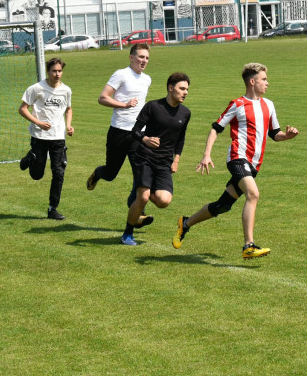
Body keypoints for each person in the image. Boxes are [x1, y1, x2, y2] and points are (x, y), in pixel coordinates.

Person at [172, 63, 298, 259]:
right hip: (237, 158)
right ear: (252, 81)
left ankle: (186, 223)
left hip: (254, 164)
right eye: (264, 79)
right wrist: (207, 154)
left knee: (223, 206)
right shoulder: (237, 104)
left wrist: (287, 136)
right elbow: (216, 128)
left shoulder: (269, 105)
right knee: (253, 194)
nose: (267, 83)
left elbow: (275, 134)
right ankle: (249, 245)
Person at [121, 72, 191, 246]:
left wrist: (176, 160)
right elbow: (135, 131)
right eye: (182, 88)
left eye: (187, 89)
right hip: (144, 156)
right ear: (170, 88)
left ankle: (140, 188)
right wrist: (145, 139)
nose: (185, 92)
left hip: (164, 161)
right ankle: (127, 234)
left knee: (163, 201)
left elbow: (180, 139)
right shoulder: (153, 106)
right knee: (143, 197)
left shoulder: (185, 113)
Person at [86, 43, 151, 213]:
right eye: (141, 57)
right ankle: (98, 173)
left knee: (140, 172)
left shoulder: (147, 79)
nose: (144, 60)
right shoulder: (121, 74)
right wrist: (124, 105)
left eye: (146, 58)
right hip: (119, 131)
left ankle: (138, 210)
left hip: (138, 133)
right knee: (110, 173)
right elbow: (102, 98)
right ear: (131, 57)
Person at [18, 57, 74, 220]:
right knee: (37, 175)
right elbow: (22, 109)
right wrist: (38, 123)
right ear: (48, 71)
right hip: (39, 135)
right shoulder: (36, 88)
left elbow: (68, 109)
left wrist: (68, 125)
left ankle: (52, 208)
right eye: (54, 71)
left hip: (58, 137)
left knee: (59, 172)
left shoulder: (66, 90)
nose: (57, 74)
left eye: (60, 71)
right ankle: (30, 157)